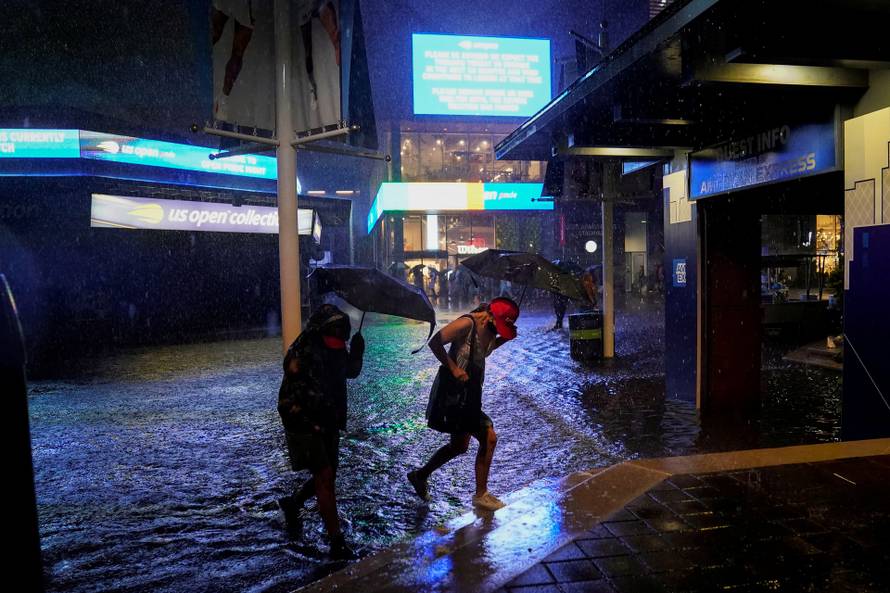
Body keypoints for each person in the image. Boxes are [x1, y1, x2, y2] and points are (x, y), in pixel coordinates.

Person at [407, 297, 520, 512]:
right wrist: (453, 368)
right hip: (454, 394)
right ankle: (481, 495)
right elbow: (435, 342)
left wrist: (504, 339)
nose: (500, 330)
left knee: (459, 446)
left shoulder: (490, 329)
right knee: (489, 437)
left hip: (470, 394)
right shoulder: (467, 323)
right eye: (501, 326)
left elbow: (485, 349)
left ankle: (420, 475)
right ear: (490, 316)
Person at [277, 304, 364, 560]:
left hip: (328, 420)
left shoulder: (335, 346)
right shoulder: (301, 354)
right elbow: (307, 396)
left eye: (342, 343)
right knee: (325, 475)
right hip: (304, 419)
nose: (339, 347)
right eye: (334, 340)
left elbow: (349, 371)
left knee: (329, 473)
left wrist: (357, 351)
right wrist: (322, 419)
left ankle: (293, 503)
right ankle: (336, 543)